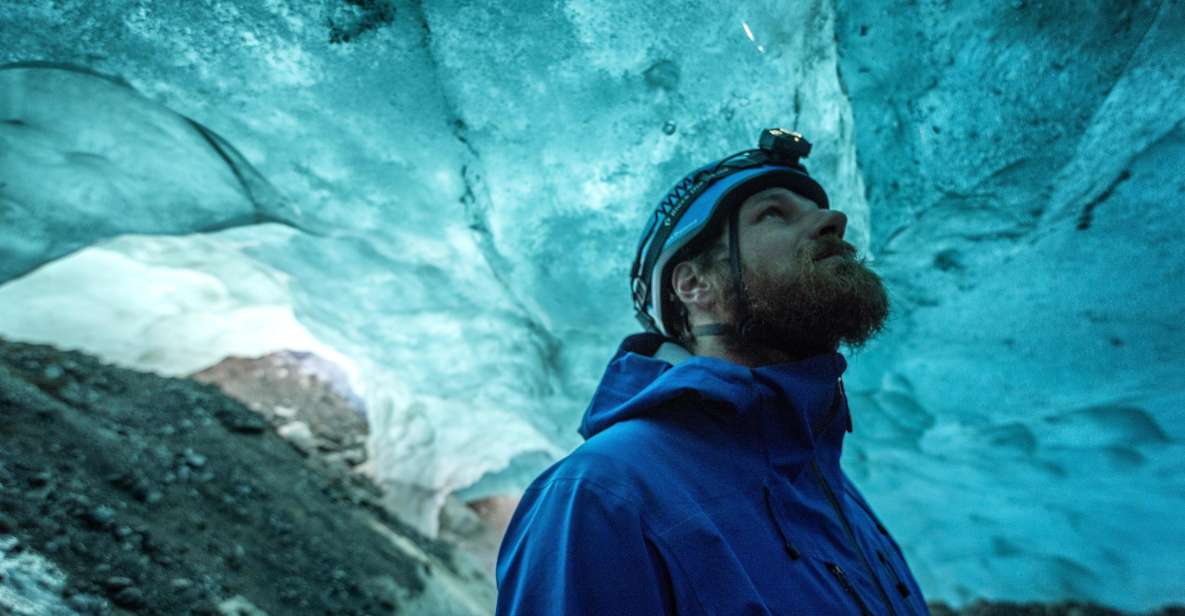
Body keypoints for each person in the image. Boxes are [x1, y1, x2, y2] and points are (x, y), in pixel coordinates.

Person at [495, 129, 929, 615]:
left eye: (817, 210)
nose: (832, 219)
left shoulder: (833, 492)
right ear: (694, 284)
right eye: (774, 213)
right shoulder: (603, 495)